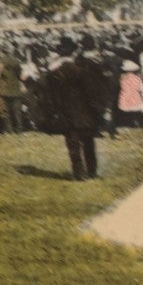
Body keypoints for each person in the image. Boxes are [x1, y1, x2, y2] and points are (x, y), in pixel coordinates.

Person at [45, 37, 108, 180]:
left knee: (72, 144)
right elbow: (91, 92)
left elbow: (50, 96)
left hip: (65, 112)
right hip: (84, 112)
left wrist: (54, 111)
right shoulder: (82, 71)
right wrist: (97, 109)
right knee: (88, 142)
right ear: (73, 53)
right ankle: (92, 171)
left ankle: (78, 172)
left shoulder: (54, 74)